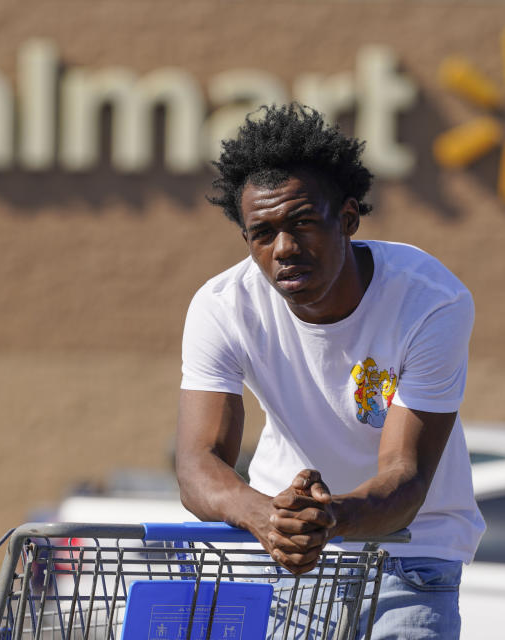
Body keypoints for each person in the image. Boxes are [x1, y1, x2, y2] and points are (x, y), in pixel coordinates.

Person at [174, 104, 485, 639]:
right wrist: (269, 517)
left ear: (346, 218)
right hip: (287, 552)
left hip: (413, 550)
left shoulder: (429, 301)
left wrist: (329, 520)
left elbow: (404, 476)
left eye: (303, 223)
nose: (285, 249)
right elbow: (197, 462)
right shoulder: (223, 306)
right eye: (262, 233)